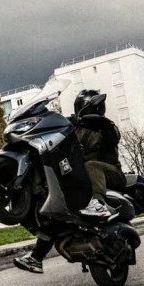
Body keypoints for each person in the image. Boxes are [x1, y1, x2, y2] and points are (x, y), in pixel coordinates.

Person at [14, 89, 126, 274]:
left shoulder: (104, 126)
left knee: (91, 165)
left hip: (110, 174)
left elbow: (114, 135)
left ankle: (97, 203)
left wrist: (99, 123)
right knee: (56, 212)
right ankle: (35, 258)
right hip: (82, 182)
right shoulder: (72, 127)